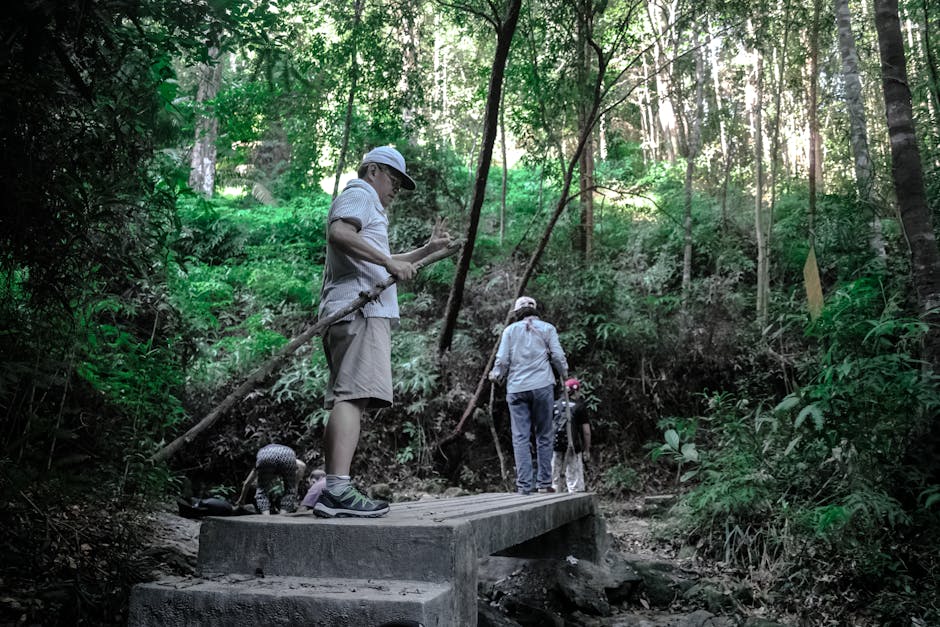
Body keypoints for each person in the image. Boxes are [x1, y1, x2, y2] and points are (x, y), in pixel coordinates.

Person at [316, 145, 452, 518]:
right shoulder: (359, 195)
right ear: (373, 170)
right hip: (359, 310)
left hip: (356, 309)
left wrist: (426, 250)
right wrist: (388, 260)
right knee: (352, 396)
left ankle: (334, 488)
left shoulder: (368, 207)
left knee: (351, 397)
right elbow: (340, 233)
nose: (395, 189)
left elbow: (381, 262)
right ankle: (338, 491)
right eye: (393, 179)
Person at [489, 296, 568, 495]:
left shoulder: (509, 331)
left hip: (516, 388)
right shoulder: (547, 329)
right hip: (542, 386)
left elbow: (502, 360)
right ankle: (543, 483)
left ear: (516, 312)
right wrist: (564, 372)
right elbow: (558, 356)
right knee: (544, 435)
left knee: (520, 437)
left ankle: (524, 486)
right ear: (535, 310)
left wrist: (496, 375)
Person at [236, 443, 307, 515]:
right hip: (288, 454)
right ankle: (282, 516)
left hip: (266, 455)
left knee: (262, 490)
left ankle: (267, 517)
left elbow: (247, 483)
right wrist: (295, 485)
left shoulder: (259, 464)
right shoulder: (295, 462)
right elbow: (302, 465)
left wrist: (241, 500)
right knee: (289, 490)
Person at [551, 377, 592, 493]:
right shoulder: (579, 407)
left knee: (554, 479)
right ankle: (575, 500)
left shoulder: (555, 405)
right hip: (573, 446)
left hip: (555, 445)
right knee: (574, 481)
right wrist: (587, 449)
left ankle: (553, 502)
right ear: (576, 391)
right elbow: (586, 431)